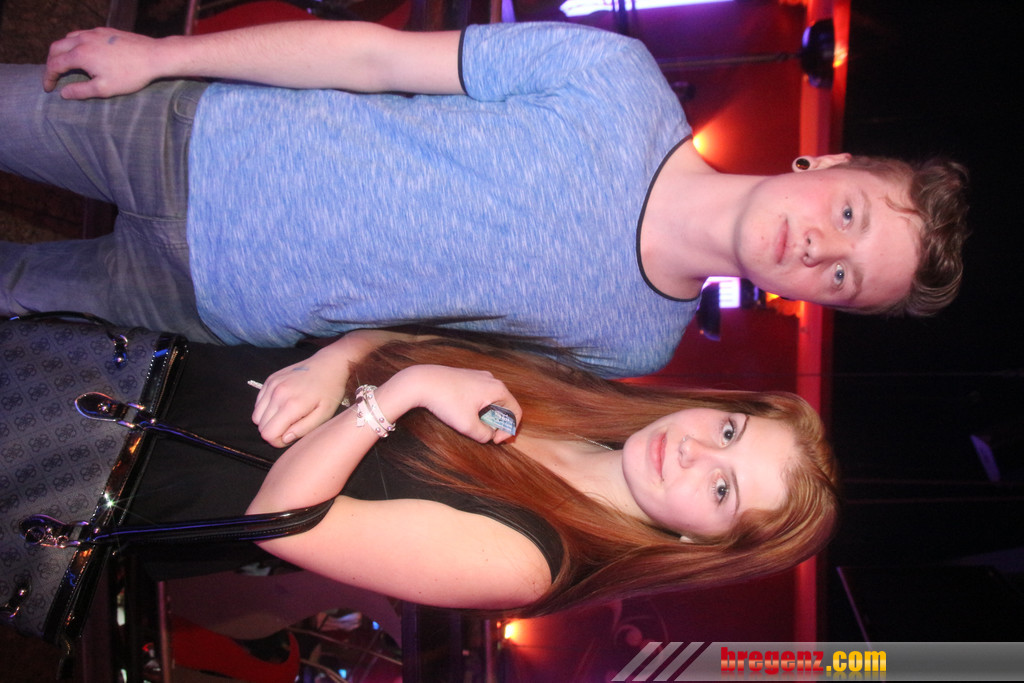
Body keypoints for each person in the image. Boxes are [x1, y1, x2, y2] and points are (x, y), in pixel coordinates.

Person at [0, 20, 969, 378]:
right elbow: (374, 56)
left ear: (816, 301)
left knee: (13, 293)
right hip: (189, 139)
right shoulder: (617, 82)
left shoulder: (636, 346)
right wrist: (164, 55)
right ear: (825, 162)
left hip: (210, 302)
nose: (820, 249)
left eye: (843, 278)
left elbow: (431, 349)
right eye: (850, 215)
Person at [127, 334, 839, 617]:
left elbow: (279, 522)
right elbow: (402, 343)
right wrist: (334, 361)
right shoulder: (574, 396)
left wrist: (400, 396)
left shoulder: (529, 562)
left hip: (143, 469)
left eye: (722, 488)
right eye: (727, 431)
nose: (694, 452)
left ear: (700, 543)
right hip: (168, 368)